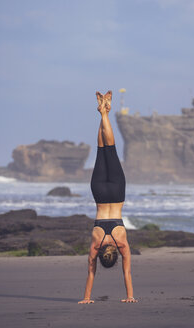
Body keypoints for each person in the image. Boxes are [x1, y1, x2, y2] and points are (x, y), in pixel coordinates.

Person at [78, 90, 137, 304]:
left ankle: (105, 112)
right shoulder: (95, 244)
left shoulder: (122, 244)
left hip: (117, 192)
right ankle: (103, 113)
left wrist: (130, 296)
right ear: (102, 255)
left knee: (110, 150)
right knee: (101, 151)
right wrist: (86, 297)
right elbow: (90, 273)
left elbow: (127, 274)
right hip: (100, 194)